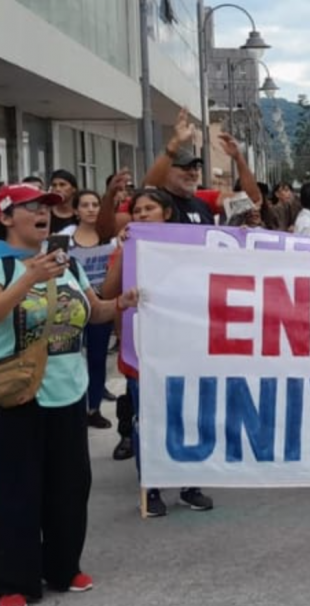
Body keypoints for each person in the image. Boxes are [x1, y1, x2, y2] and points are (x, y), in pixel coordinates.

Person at [0, 184, 138, 605]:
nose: (43, 214)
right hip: (16, 397)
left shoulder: (67, 263)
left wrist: (123, 302)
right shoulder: (5, 265)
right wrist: (29, 278)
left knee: (70, 486)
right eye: (30, 207)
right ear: (6, 217)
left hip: (68, 392)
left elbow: (93, 311)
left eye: (47, 207)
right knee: (17, 490)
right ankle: (14, 581)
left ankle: (63, 566)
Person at [101, 189, 214, 516]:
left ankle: (190, 485)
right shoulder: (125, 248)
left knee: (189, 415)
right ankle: (150, 488)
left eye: (149, 208)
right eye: (137, 210)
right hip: (142, 351)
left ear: (166, 213)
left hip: (184, 348)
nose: (142, 214)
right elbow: (107, 293)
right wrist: (123, 252)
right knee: (148, 420)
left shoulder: (189, 247)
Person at [59, 189, 120, 429]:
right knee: (69, 357)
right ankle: (71, 408)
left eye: (95, 204)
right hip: (69, 307)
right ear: (76, 210)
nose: (91, 209)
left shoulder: (112, 238)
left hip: (101, 305)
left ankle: (93, 408)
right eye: (85, 205)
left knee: (97, 358)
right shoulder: (64, 238)